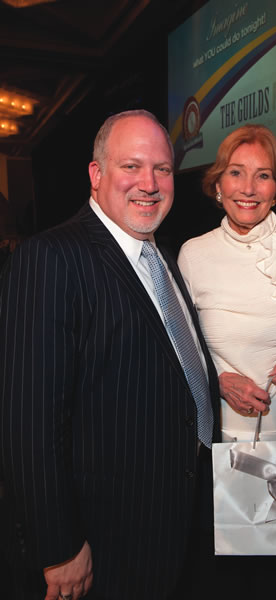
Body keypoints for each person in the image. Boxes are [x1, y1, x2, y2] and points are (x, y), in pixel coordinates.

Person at [0, 109, 220, 600]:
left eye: (162, 169)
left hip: (177, 521)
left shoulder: (161, 257)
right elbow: (29, 422)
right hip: (107, 540)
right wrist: (59, 545)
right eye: (131, 166)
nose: (149, 183)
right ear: (96, 175)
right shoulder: (52, 258)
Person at [178, 124, 276, 441]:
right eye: (236, 173)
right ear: (218, 184)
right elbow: (182, 343)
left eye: (262, 175)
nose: (248, 188)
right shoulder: (192, 255)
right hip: (222, 433)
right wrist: (218, 381)